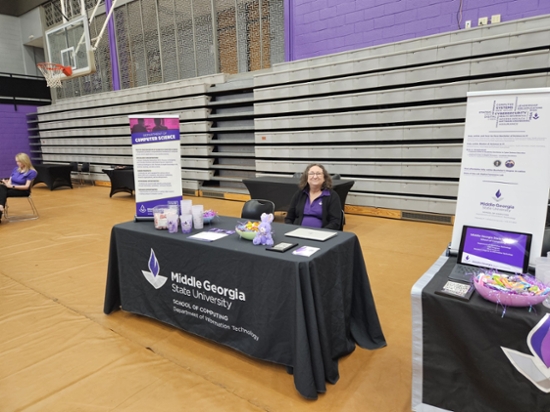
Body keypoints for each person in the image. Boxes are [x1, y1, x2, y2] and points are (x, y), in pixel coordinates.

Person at [285, 164, 342, 230]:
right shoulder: (299, 194)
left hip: (322, 235)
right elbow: (289, 218)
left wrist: (321, 233)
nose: (315, 176)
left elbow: (335, 222)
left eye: (318, 174)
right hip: (298, 233)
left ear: (324, 178)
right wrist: (292, 230)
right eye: (311, 174)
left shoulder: (332, 196)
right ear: (306, 178)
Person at [0, 153, 38, 222]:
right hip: (11, 188)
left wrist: (12, 186)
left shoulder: (32, 172)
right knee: (2, 188)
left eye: (18, 161)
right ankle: (1, 207)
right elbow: (10, 182)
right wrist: (6, 183)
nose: (17, 163)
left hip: (22, 191)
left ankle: (1, 206)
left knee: (1, 191)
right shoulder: (15, 169)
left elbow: (26, 187)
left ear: (24, 162)